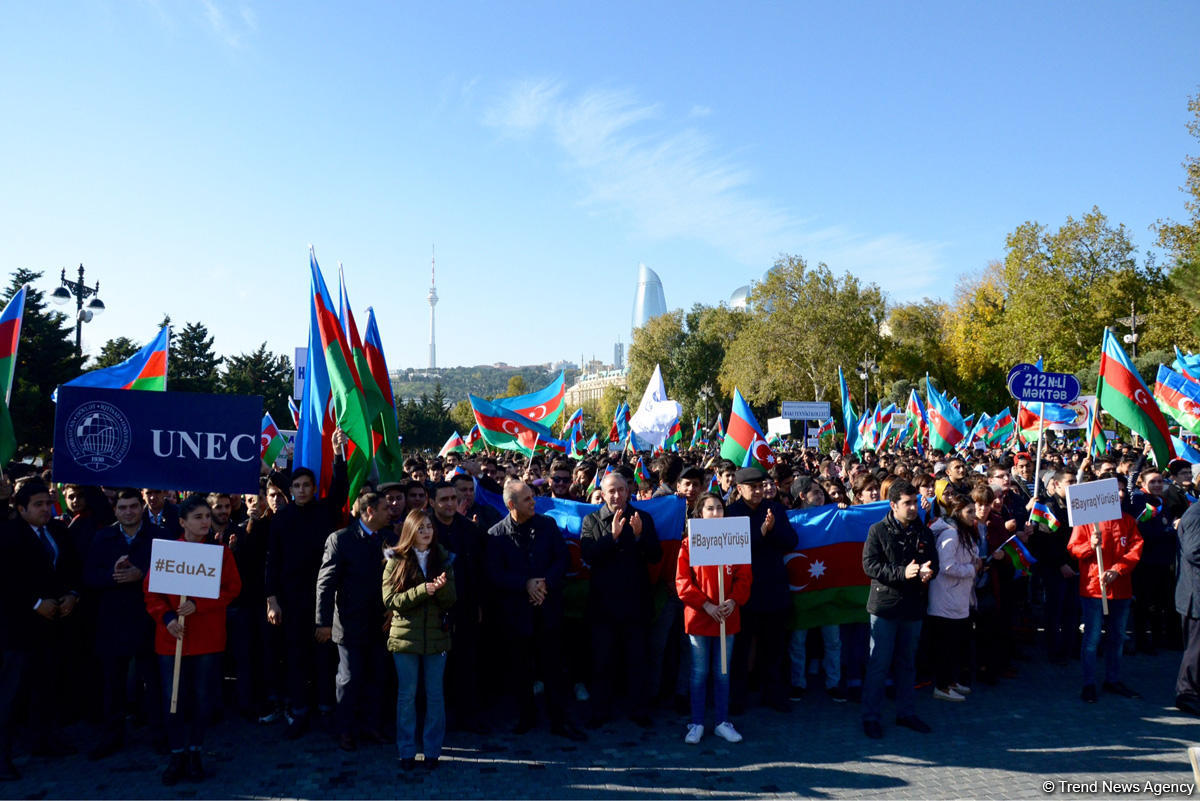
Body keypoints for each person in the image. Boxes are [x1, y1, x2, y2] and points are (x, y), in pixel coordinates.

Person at [143, 495, 241, 785]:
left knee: (201, 698)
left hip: (207, 638)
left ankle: (195, 751)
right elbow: (151, 593)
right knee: (172, 699)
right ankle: (177, 754)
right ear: (183, 522)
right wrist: (167, 618)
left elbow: (232, 589)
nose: (205, 522)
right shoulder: (168, 552)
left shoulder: (221, 553)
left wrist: (199, 604)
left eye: (207, 516)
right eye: (198, 517)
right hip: (172, 638)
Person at [486, 479, 586, 741]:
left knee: (553, 667)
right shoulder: (495, 534)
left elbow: (561, 559)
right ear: (511, 505)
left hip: (547, 609)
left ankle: (559, 719)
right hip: (517, 614)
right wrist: (525, 584)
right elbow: (495, 574)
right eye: (527, 499)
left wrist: (544, 583)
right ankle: (526, 716)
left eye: (532, 497)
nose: (533, 502)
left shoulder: (547, 525)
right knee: (521, 667)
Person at [264, 444, 347, 739]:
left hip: (324, 599)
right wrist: (272, 600)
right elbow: (273, 561)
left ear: (313, 488)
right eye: (296, 486)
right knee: (296, 657)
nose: (301, 490)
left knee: (325, 657)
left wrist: (338, 454)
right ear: (291, 490)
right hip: (291, 599)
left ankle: (326, 710)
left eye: (306, 485)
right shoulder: (281, 519)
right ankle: (299, 712)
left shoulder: (324, 511)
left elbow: (340, 488)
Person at [83, 488, 164, 759]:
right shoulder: (102, 537)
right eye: (123, 507)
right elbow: (89, 577)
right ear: (115, 510)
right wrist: (113, 575)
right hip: (113, 622)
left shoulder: (159, 537)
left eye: (133, 506)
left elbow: (170, 574)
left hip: (148, 620)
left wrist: (142, 575)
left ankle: (160, 735)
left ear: (142, 508)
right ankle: (112, 736)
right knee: (113, 684)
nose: (128, 512)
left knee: (154, 682)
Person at [580, 471, 661, 728]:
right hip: (603, 605)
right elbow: (588, 555)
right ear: (603, 494)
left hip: (636, 603)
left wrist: (639, 536)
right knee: (602, 660)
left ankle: (639, 709)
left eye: (621, 490)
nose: (616, 495)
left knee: (637, 659)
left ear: (628, 491)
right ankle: (600, 710)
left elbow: (656, 556)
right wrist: (611, 537)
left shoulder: (642, 518)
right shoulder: (591, 520)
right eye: (611, 491)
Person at [315, 490, 393, 751]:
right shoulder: (341, 539)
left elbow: (398, 577)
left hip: (381, 624)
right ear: (370, 511)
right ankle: (345, 730)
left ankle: (373, 726)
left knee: (378, 677)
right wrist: (323, 622)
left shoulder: (388, 538)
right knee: (349, 679)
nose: (390, 512)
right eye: (385, 508)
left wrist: (393, 609)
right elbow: (326, 584)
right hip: (350, 624)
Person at [861, 480, 938, 739]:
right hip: (885, 608)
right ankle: (871, 717)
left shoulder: (923, 532)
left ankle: (906, 713)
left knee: (907, 664)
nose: (913, 507)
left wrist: (928, 572)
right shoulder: (877, 530)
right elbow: (870, 566)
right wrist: (902, 573)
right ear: (893, 505)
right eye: (907, 503)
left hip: (913, 607)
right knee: (879, 664)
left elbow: (934, 562)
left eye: (915, 502)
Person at [383, 510, 455, 770]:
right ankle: (406, 751)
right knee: (407, 695)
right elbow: (390, 600)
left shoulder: (443, 557)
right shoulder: (396, 559)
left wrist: (441, 588)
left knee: (435, 695)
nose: (426, 532)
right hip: (405, 639)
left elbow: (451, 600)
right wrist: (423, 590)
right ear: (411, 531)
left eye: (429, 527)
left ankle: (433, 750)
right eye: (421, 527)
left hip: (436, 637)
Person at [676, 493, 750, 744]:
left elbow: (744, 576)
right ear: (700, 513)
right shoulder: (689, 543)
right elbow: (683, 582)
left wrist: (733, 600)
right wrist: (706, 605)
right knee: (699, 672)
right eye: (710, 508)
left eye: (720, 508)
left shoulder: (736, 539)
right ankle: (697, 722)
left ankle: (721, 721)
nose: (716, 513)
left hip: (726, 617)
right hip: (699, 617)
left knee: (723, 672)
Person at [727, 466, 798, 713]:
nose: (758, 491)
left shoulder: (775, 508)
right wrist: (761, 532)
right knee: (741, 648)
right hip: (744, 591)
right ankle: (738, 697)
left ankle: (773, 694)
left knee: (774, 647)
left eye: (760, 486)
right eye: (752, 487)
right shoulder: (731, 513)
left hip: (774, 587)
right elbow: (735, 550)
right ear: (739, 489)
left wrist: (773, 528)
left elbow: (792, 541)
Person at [1068, 508, 1143, 703]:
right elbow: (1073, 548)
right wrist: (1090, 545)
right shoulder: (1086, 519)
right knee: (1092, 638)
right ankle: (1089, 683)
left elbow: (1136, 547)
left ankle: (1112, 679)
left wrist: (1118, 569)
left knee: (1117, 637)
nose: (1117, 495)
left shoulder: (1127, 520)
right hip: (1094, 588)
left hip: (1121, 588)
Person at [926, 493, 981, 702]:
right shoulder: (951, 534)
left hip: (959, 597)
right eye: (969, 511)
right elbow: (946, 565)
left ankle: (949, 681)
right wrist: (972, 569)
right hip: (946, 598)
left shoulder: (963, 532)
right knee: (945, 645)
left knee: (955, 643)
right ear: (957, 512)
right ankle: (941, 685)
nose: (974, 515)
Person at [1176, 499, 1200, 716]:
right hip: (1195, 595)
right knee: (1196, 648)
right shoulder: (1196, 515)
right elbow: (1193, 552)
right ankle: (1187, 694)